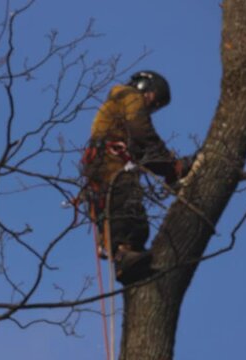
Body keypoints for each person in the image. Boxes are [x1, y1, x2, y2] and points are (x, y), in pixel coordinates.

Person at [81, 70, 190, 284]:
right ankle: (124, 253)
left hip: (107, 164)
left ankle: (131, 255)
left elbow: (142, 151)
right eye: (154, 100)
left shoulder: (118, 104)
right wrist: (171, 165)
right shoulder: (128, 95)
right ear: (145, 89)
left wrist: (167, 168)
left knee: (128, 208)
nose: (152, 107)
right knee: (125, 202)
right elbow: (142, 132)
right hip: (109, 162)